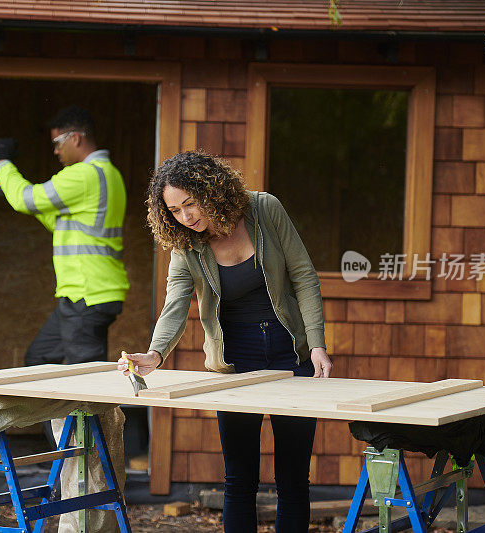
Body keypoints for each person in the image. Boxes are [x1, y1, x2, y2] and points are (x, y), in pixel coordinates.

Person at [119, 151, 332, 532]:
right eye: (174, 210)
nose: (185, 216)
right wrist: (155, 353)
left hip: (290, 351)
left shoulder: (264, 209)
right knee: (239, 478)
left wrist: (316, 343)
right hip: (235, 361)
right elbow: (175, 302)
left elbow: (303, 275)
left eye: (190, 203)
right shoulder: (186, 244)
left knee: (293, 478)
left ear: (211, 190)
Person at [0, 105, 129, 367]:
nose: (55, 150)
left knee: (85, 377)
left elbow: (25, 199)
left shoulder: (84, 175)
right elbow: (60, 222)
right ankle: (61, 410)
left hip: (86, 293)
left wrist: (3, 163)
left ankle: (91, 411)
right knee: (40, 359)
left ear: (75, 138)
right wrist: (15, 193)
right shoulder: (110, 175)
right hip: (90, 292)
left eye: (57, 142)